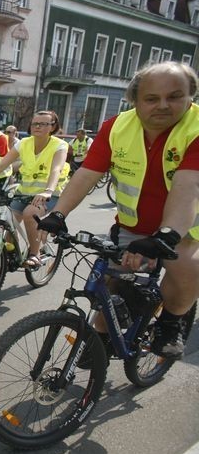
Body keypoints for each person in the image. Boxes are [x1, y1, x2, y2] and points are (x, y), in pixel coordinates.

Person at [38, 61, 199, 360]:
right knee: (112, 289)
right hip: (133, 225)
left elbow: (189, 186)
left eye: (174, 96)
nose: (162, 105)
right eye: (152, 98)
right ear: (136, 100)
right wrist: (58, 214)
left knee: (188, 267)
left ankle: (172, 322)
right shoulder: (116, 127)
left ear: (191, 96)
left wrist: (166, 235)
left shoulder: (197, 128)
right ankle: (101, 340)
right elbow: (87, 174)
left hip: (187, 229)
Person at [0, 110, 70, 267]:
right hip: (24, 192)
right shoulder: (24, 144)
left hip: (51, 194)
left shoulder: (59, 146)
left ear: (53, 127)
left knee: (30, 213)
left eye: (43, 124)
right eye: (35, 123)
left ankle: (35, 254)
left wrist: (48, 191)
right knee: (7, 224)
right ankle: (14, 256)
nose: (37, 126)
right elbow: (2, 164)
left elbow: (56, 169)